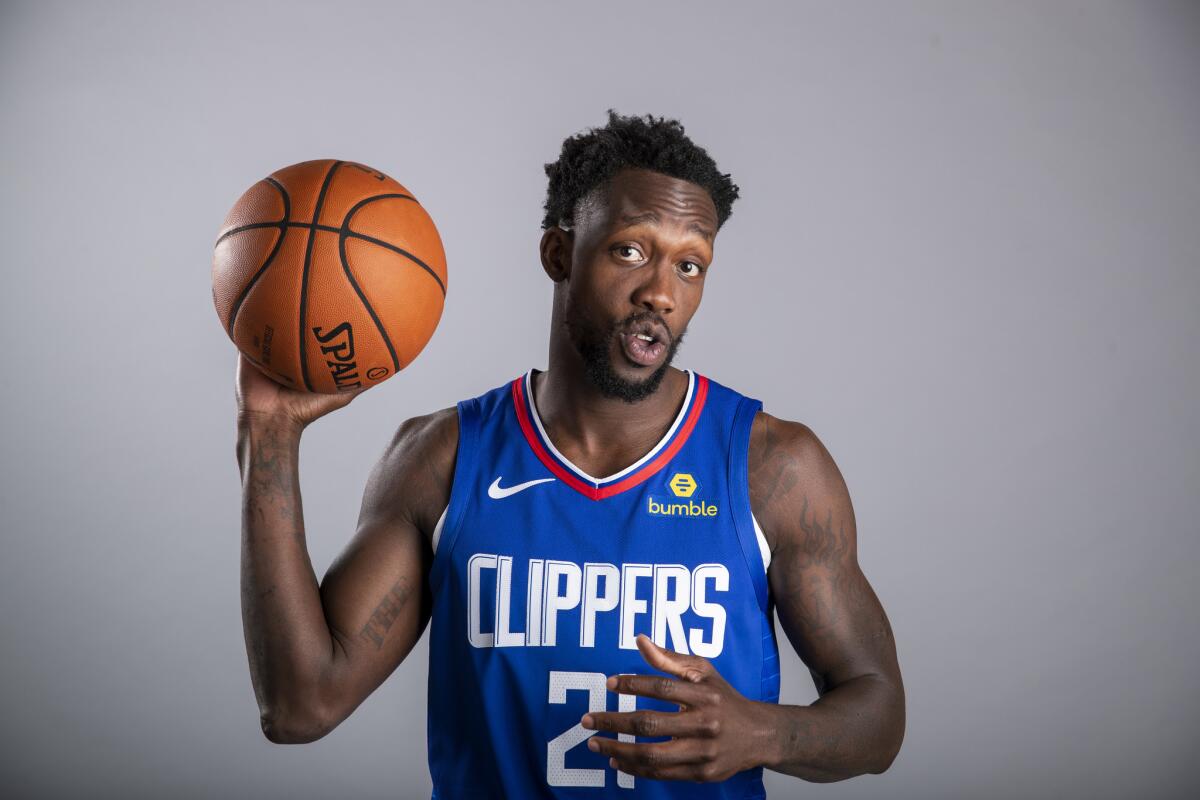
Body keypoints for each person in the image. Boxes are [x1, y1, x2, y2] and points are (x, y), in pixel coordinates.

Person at [234, 110, 905, 798]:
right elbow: (299, 705)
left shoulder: (773, 468)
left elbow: (879, 715)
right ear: (559, 254)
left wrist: (763, 734)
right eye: (631, 251)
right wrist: (270, 436)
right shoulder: (444, 460)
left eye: (690, 265)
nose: (661, 294)